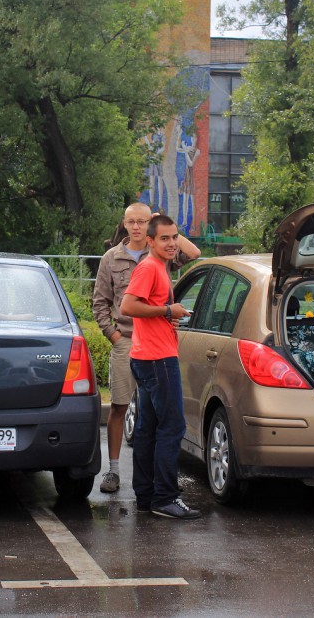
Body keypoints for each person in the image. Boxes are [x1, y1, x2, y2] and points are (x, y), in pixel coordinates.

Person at [92, 203, 199, 494]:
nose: (137, 226)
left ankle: (148, 487)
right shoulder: (113, 258)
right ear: (124, 224)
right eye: (132, 222)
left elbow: (193, 253)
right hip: (128, 340)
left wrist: (162, 224)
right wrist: (114, 336)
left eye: (143, 221)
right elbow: (101, 302)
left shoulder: (161, 255)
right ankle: (114, 471)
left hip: (153, 342)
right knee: (120, 406)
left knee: (149, 421)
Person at [120, 214, 201, 520]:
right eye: (164, 238)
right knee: (172, 427)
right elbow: (127, 307)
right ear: (150, 241)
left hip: (148, 356)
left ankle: (146, 496)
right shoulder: (150, 267)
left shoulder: (159, 266)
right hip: (157, 360)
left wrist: (166, 315)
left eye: (174, 237)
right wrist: (168, 309)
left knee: (148, 429)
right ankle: (165, 497)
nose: (171, 244)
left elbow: (146, 309)